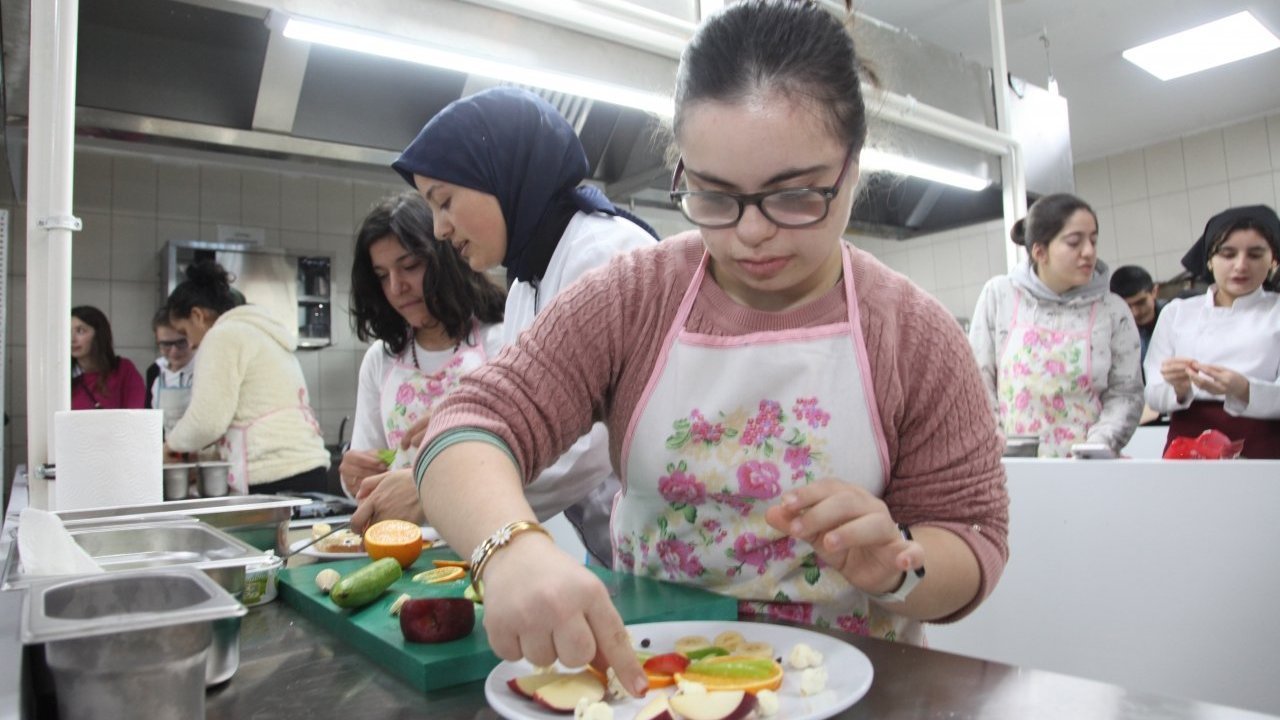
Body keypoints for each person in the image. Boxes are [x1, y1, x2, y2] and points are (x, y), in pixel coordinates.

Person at [413, 0, 1008, 693]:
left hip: (840, 690)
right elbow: (469, 424)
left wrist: (901, 565)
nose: (751, 233)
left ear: (852, 166)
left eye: (793, 196)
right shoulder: (633, 296)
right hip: (653, 681)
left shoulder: (915, 334)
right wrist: (508, 548)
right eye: (715, 195)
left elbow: (975, 537)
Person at [350, 86, 658, 564]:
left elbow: (590, 442)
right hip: (611, 545)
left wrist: (439, 485)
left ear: (503, 175)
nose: (439, 229)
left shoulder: (601, 252)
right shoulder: (526, 282)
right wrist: (476, 417)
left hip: (660, 539)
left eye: (445, 200)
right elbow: (529, 399)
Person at [339, 191, 506, 495]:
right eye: (381, 275)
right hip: (408, 537)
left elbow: (530, 456)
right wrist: (354, 476)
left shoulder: (500, 340)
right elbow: (367, 477)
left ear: (446, 258)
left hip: (492, 529)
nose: (396, 287)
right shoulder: (381, 359)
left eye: (410, 266)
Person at [970, 193, 1143, 457]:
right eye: (1074, 243)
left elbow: (1125, 393)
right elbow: (977, 380)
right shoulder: (1000, 295)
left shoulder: (1112, 310)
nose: (1089, 252)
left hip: (1086, 468)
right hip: (1011, 466)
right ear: (1040, 251)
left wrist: (1097, 446)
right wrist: (998, 444)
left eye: (1093, 241)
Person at [162, 260, 330, 493]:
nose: (189, 344)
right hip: (309, 469)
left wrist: (170, 446)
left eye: (184, 332)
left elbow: (207, 422)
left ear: (197, 315)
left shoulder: (222, 336)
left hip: (272, 475)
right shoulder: (261, 332)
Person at [1145, 205, 1280, 458]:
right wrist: (1180, 388)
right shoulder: (1177, 313)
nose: (1240, 266)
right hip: (1187, 444)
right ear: (1209, 259)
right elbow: (1153, 395)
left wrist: (1243, 389)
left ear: (1273, 260)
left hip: (1264, 446)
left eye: (1255, 254)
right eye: (1228, 254)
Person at [70, 305, 146, 410]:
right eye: (67, 332)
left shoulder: (123, 370)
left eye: (80, 331)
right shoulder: (63, 377)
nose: (72, 339)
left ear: (98, 335)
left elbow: (135, 414)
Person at [144, 307, 196, 434]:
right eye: (166, 345)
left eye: (181, 343)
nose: (174, 351)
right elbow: (149, 417)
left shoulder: (204, 367)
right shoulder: (155, 370)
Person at [1109, 265, 1164, 369]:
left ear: (1154, 292)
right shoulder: (1112, 332)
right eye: (1127, 306)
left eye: (1141, 302)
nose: (1135, 313)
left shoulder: (1175, 319)